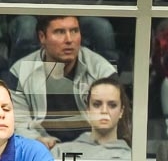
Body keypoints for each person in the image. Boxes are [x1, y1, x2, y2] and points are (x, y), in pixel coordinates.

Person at [7, 16, 117, 149]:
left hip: (93, 148)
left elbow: (113, 122)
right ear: (42, 37)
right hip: (42, 149)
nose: (69, 40)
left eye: (74, 31)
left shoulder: (102, 71)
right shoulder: (20, 71)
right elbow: (17, 121)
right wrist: (36, 140)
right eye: (59, 32)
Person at [51, 77, 131, 160]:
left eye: (112, 105)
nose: (104, 111)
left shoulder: (132, 160)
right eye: (97, 104)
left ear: (121, 111)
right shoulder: (59, 152)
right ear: (88, 110)